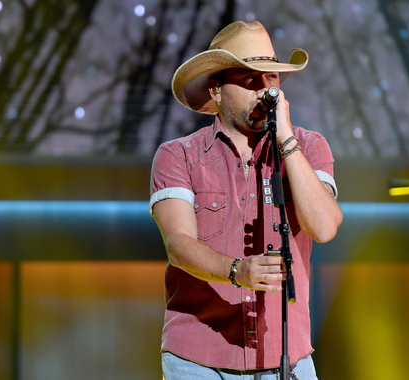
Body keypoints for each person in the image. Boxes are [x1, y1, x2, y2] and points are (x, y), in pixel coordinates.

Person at [150, 20, 343, 379]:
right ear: (218, 89)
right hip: (198, 361)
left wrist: (285, 138)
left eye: (271, 78)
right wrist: (237, 270)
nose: (264, 89)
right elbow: (178, 244)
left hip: (287, 360)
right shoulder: (178, 155)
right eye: (250, 79)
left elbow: (324, 226)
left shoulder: (308, 146)